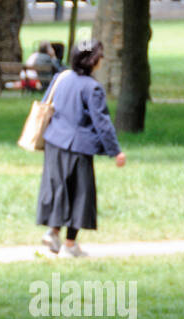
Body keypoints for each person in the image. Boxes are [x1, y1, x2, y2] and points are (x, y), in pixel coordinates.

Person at [37, 38, 126, 258]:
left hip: (54, 142)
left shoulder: (62, 77)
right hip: (78, 146)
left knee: (59, 189)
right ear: (93, 60)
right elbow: (102, 122)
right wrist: (116, 151)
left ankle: (53, 233)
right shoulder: (92, 87)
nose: (102, 59)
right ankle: (69, 245)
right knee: (79, 194)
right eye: (101, 55)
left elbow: (46, 102)